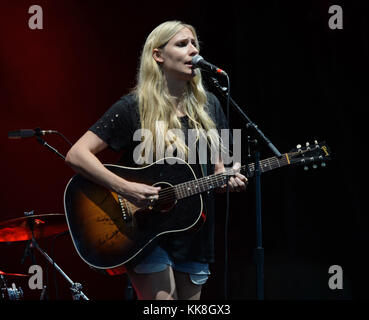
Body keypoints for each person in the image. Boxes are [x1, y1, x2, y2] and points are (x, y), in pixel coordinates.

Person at [65, 20, 248, 300]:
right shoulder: (133, 107)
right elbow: (77, 154)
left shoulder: (211, 106)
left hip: (194, 233)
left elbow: (221, 170)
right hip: (144, 233)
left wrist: (229, 179)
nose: (192, 50)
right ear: (158, 55)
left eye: (194, 43)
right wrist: (126, 188)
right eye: (182, 44)